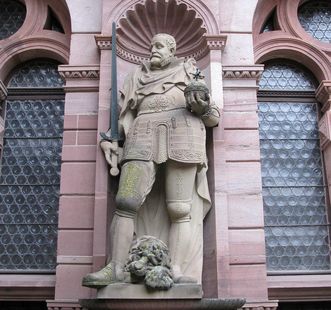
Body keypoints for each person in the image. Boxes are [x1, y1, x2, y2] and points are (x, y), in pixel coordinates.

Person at [82, 33, 220, 288]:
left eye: (158, 46)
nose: (153, 49)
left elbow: (213, 117)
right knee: (125, 201)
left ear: (172, 49)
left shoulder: (190, 70)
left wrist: (202, 108)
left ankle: (176, 269)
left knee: (180, 209)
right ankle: (116, 267)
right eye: (151, 45)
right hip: (141, 135)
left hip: (183, 135)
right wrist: (110, 139)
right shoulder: (136, 75)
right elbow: (125, 116)